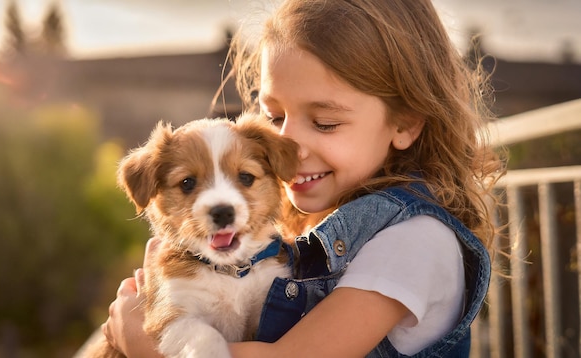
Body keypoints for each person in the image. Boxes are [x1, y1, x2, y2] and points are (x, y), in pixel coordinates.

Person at [101, 0, 505, 356]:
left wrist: (139, 343)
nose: (287, 143)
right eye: (274, 117)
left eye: (325, 122)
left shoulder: (414, 242)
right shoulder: (319, 225)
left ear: (406, 123)